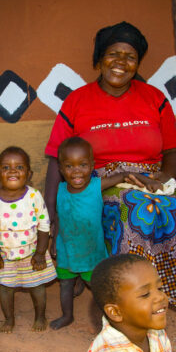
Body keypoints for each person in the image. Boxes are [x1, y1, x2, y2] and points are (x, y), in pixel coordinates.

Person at [44, 21, 176, 325]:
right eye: (113, 54)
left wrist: (162, 179)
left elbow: (174, 149)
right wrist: (51, 215)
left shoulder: (154, 98)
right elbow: (55, 159)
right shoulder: (77, 101)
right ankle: (127, 303)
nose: (121, 63)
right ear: (99, 59)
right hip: (101, 182)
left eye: (130, 57)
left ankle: (174, 294)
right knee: (134, 212)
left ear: (138, 63)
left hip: (152, 178)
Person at [49, 137, 126, 330]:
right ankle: (67, 316)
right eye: (69, 166)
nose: (76, 171)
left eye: (82, 165)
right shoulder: (60, 190)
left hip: (92, 252)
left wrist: (144, 179)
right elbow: (58, 217)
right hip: (67, 250)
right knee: (65, 285)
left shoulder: (96, 186)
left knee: (98, 288)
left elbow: (122, 177)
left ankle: (108, 320)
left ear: (92, 166)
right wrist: (53, 242)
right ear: (61, 169)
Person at [0, 146, 56, 333]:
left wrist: (40, 253)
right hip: (6, 256)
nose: (13, 171)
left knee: (37, 288)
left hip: (32, 255)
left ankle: (40, 316)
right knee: (5, 289)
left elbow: (44, 225)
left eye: (20, 167)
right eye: (6, 167)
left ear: (29, 174)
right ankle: (9, 319)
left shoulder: (34, 196)